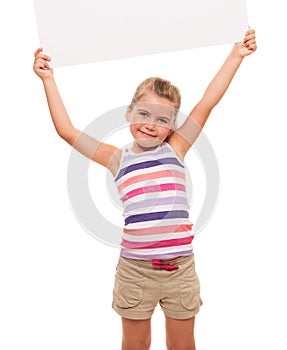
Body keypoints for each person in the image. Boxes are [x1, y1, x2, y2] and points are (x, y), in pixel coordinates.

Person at [33, 29, 257, 350]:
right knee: (135, 344)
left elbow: (208, 101)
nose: (151, 124)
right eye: (143, 114)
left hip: (180, 269)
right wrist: (48, 80)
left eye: (162, 119)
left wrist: (236, 54)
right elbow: (67, 131)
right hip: (135, 272)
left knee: (182, 345)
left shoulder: (176, 149)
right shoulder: (115, 158)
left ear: (174, 126)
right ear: (129, 113)